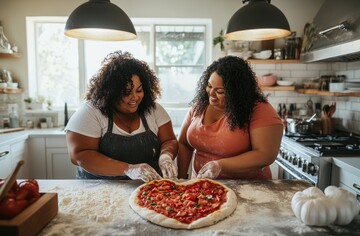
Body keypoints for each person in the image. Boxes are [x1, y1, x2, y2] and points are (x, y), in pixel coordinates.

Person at [65, 51, 178, 182]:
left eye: (139, 90)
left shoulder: (154, 110)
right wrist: (129, 168)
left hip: (147, 188)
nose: (135, 97)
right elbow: (79, 155)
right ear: (110, 93)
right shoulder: (91, 112)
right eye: (126, 92)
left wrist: (166, 155)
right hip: (99, 188)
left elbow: (169, 140)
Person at [177, 56, 283, 180]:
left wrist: (220, 165)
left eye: (219, 91)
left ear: (237, 93)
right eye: (209, 86)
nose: (211, 93)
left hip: (248, 188)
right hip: (201, 186)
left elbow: (265, 154)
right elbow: (184, 143)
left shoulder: (259, 110)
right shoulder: (199, 107)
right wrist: (182, 178)